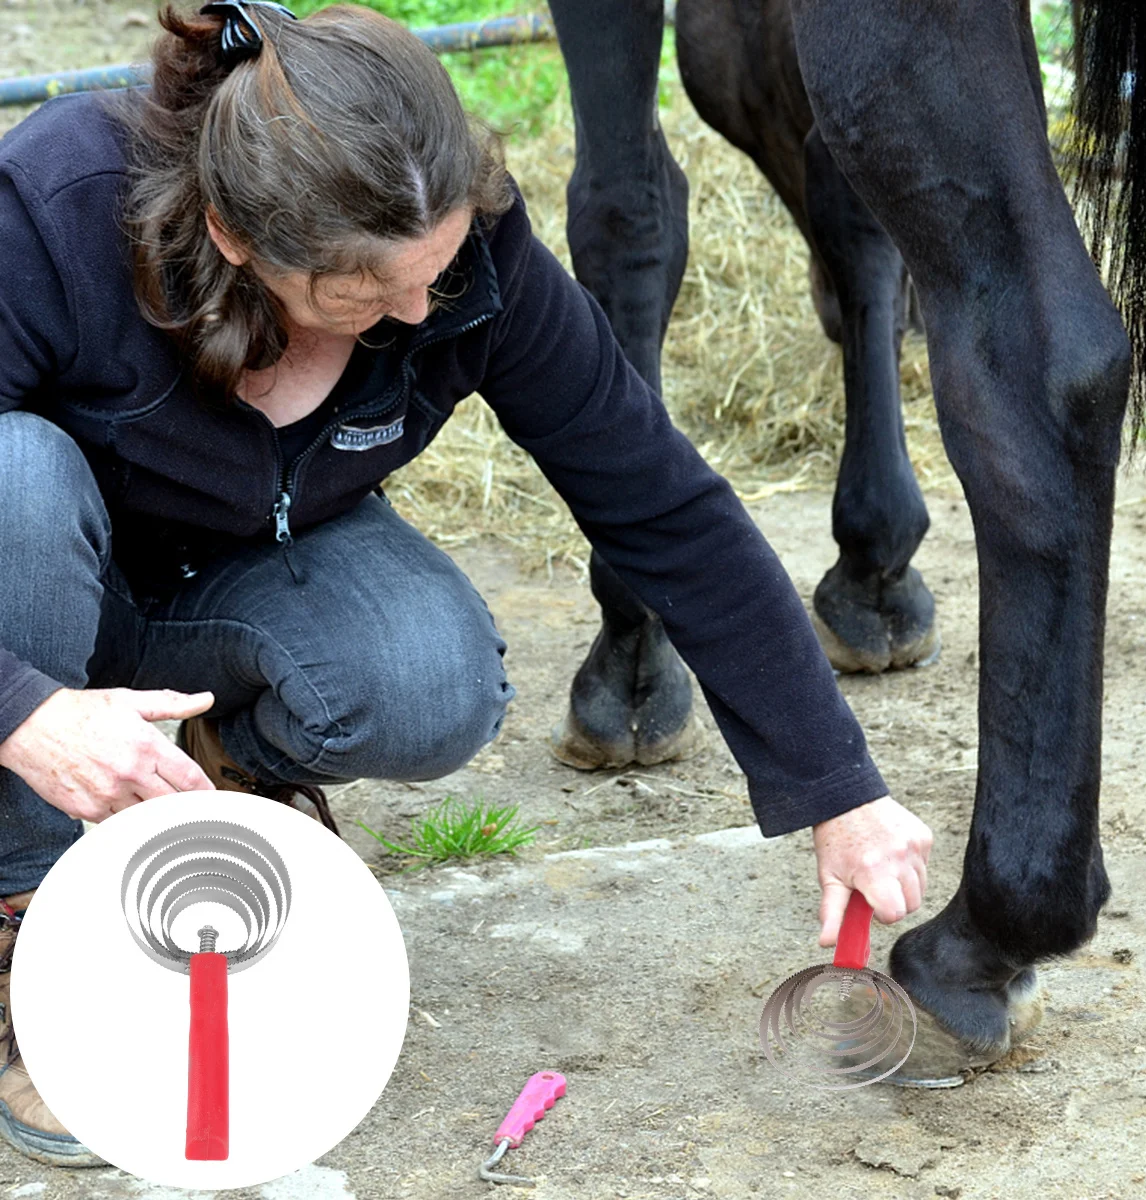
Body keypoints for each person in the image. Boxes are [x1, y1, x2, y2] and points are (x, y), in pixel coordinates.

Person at [0, 1, 932, 1165]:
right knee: (10, 478)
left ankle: (221, 771)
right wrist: (24, 711)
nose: (413, 315)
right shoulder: (56, 208)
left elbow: (660, 502)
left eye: (433, 272)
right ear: (236, 236)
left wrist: (835, 785)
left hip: (219, 597)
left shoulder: (465, 259)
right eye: (363, 293)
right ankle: (31, 916)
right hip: (30, 595)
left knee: (431, 672)